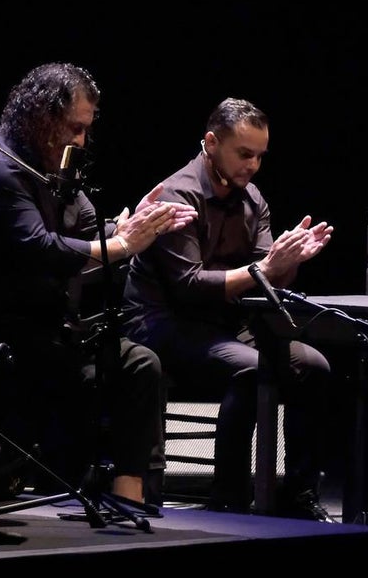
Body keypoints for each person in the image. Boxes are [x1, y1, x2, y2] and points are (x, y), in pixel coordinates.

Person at [0, 61, 198, 506]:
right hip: (6, 326)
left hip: (52, 321)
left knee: (139, 362)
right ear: (42, 116)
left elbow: (88, 239)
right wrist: (122, 245)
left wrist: (130, 225)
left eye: (86, 129)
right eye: (74, 127)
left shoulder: (53, 160)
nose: (81, 140)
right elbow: (39, 246)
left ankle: (129, 492)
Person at [121, 97, 337, 522]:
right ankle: (229, 499)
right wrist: (265, 268)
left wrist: (287, 263)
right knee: (252, 369)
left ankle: (296, 494)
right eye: (244, 154)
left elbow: (267, 277)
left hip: (224, 323)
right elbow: (188, 287)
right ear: (211, 142)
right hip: (164, 322)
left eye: (260, 156)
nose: (253, 165)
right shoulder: (177, 194)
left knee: (315, 366)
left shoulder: (252, 199)